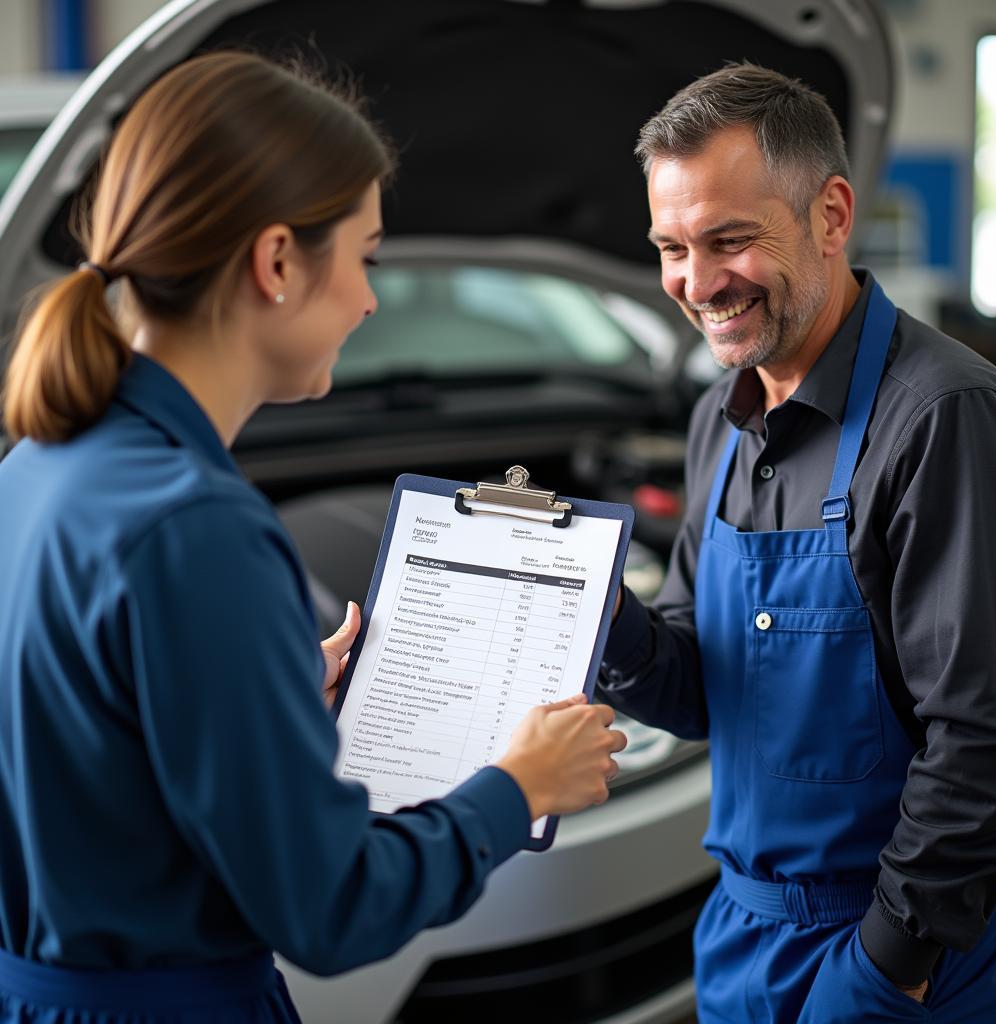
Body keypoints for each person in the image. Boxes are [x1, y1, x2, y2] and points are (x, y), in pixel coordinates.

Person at [0, 51, 627, 1022]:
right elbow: (331, 906)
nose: (372, 300)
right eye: (366, 257)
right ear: (280, 261)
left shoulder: (35, 472)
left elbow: (92, 766)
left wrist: (267, 697)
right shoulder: (196, 529)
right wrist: (517, 785)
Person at [599, 63, 996, 1023]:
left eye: (730, 240)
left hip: (889, 956)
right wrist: (597, 614)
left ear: (831, 215)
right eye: (672, 247)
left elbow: (986, 743)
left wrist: (885, 969)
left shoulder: (943, 419)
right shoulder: (721, 414)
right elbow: (708, 691)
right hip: (739, 936)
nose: (696, 284)